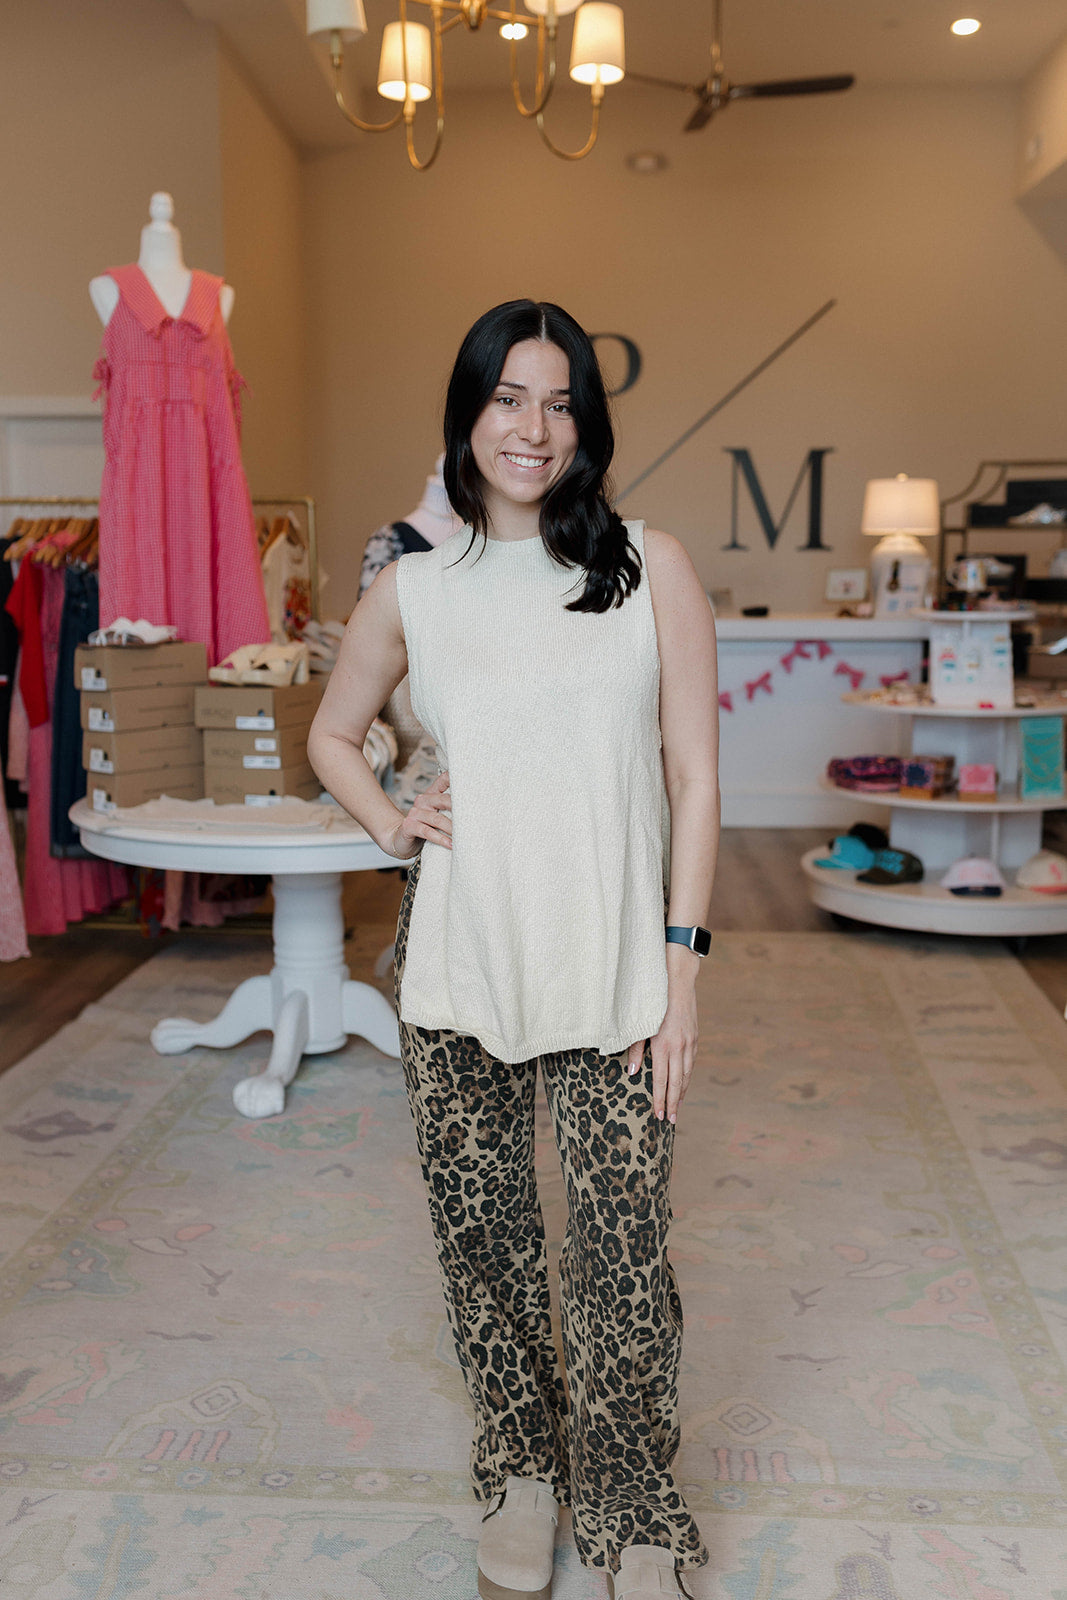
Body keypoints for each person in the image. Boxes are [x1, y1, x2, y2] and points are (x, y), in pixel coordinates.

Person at [308, 300, 719, 1600]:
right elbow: (331, 732)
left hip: (619, 966)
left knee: (620, 1256)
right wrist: (394, 823)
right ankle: (521, 1469)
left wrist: (684, 967)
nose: (532, 428)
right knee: (483, 1246)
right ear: (468, 415)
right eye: (507, 398)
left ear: (585, 426)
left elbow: (696, 779)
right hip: (460, 961)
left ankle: (634, 1498)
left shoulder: (651, 566)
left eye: (559, 402)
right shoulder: (414, 586)